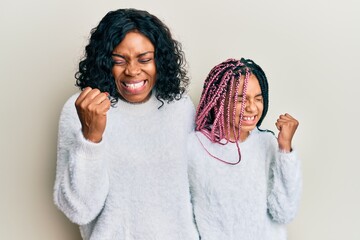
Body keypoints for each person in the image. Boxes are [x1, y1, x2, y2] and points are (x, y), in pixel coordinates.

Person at [53, 8, 199, 240]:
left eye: (145, 59)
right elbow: (79, 210)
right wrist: (91, 139)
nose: (132, 71)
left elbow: (197, 191)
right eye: (119, 61)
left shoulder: (180, 106)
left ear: (159, 60)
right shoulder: (82, 108)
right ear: (104, 63)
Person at [188, 58, 302, 240]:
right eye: (241, 99)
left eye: (258, 98)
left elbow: (284, 213)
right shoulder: (194, 147)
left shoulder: (268, 143)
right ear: (219, 100)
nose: (251, 107)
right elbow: (182, 214)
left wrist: (285, 149)